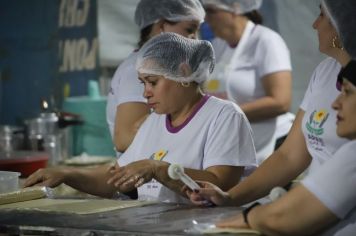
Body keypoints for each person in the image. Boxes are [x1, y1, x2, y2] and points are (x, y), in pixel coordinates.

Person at [24, 33, 257, 203]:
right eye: (143, 83)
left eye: (153, 82)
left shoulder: (223, 116)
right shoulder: (155, 120)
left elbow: (221, 181)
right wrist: (67, 174)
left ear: (184, 73)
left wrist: (158, 169)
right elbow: (117, 178)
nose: (146, 92)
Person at [186, 0, 353, 210]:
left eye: (321, 16)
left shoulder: (267, 41)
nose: (314, 25)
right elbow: (289, 156)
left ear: (341, 24)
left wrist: (226, 113)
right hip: (315, 203)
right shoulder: (323, 72)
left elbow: (280, 101)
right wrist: (229, 197)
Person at [106, 0, 206, 154]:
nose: (194, 39)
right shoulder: (139, 70)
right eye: (189, 30)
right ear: (161, 27)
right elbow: (124, 140)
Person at [200, 0, 294, 163]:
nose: (206, 19)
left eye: (211, 11)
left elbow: (281, 102)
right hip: (239, 144)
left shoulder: (266, 41)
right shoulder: (216, 46)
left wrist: (224, 116)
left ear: (235, 10)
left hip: (274, 145)